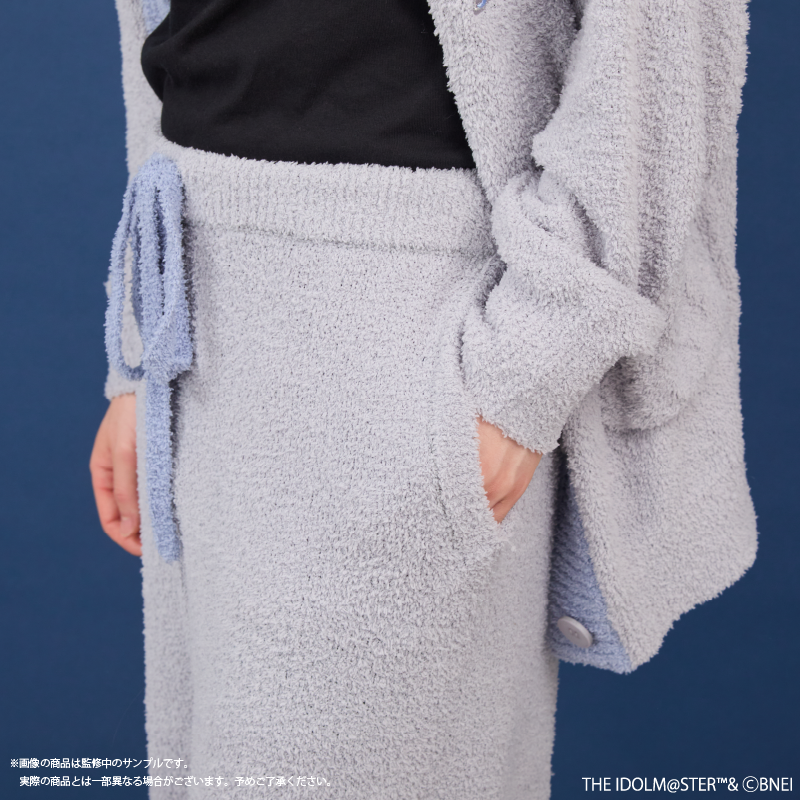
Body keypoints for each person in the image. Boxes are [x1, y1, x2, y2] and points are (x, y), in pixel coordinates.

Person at [90, 0, 759, 797]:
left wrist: (530, 362)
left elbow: (661, 42)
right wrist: (142, 344)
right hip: (197, 326)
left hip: (412, 311)